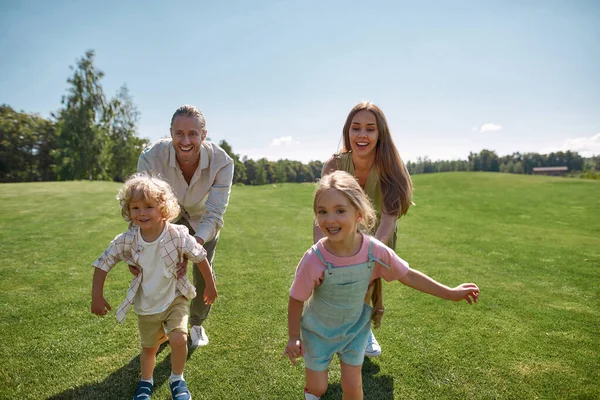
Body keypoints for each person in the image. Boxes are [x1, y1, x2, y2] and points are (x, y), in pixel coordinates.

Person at [285, 171, 479, 400]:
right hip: (318, 332)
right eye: (322, 212)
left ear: (359, 213)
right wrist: (293, 336)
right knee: (318, 388)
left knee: (354, 388)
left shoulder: (374, 251)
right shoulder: (315, 258)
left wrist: (451, 293)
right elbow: (296, 298)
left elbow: (408, 275)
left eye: (340, 210)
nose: (330, 219)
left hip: (354, 330)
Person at [90, 173, 217, 400]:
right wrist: (96, 296)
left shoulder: (177, 234)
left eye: (148, 207)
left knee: (179, 339)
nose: (141, 213)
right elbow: (103, 263)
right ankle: (146, 382)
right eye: (135, 207)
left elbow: (200, 256)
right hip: (146, 304)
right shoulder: (127, 240)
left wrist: (210, 285)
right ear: (128, 211)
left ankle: (177, 380)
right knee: (149, 349)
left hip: (175, 297)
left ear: (164, 208)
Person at [314, 101, 413, 357]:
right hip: (341, 234)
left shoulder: (391, 168)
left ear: (380, 134)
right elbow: (321, 214)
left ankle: (362, 332)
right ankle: (341, 331)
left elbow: (389, 217)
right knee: (336, 285)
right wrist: (318, 252)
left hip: (380, 234)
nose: (362, 135)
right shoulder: (333, 166)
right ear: (348, 131)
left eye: (370, 129)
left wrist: (370, 253)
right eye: (356, 128)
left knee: (365, 282)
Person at [136, 104, 234, 348]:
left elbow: (214, 214)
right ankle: (164, 325)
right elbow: (141, 204)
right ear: (170, 133)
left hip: (203, 221)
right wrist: (139, 249)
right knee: (161, 267)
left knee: (204, 269)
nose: (186, 140)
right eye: (179, 133)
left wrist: (192, 246)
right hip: (165, 216)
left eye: (193, 133)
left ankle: (197, 324)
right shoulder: (151, 156)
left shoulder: (222, 161)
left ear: (204, 134)